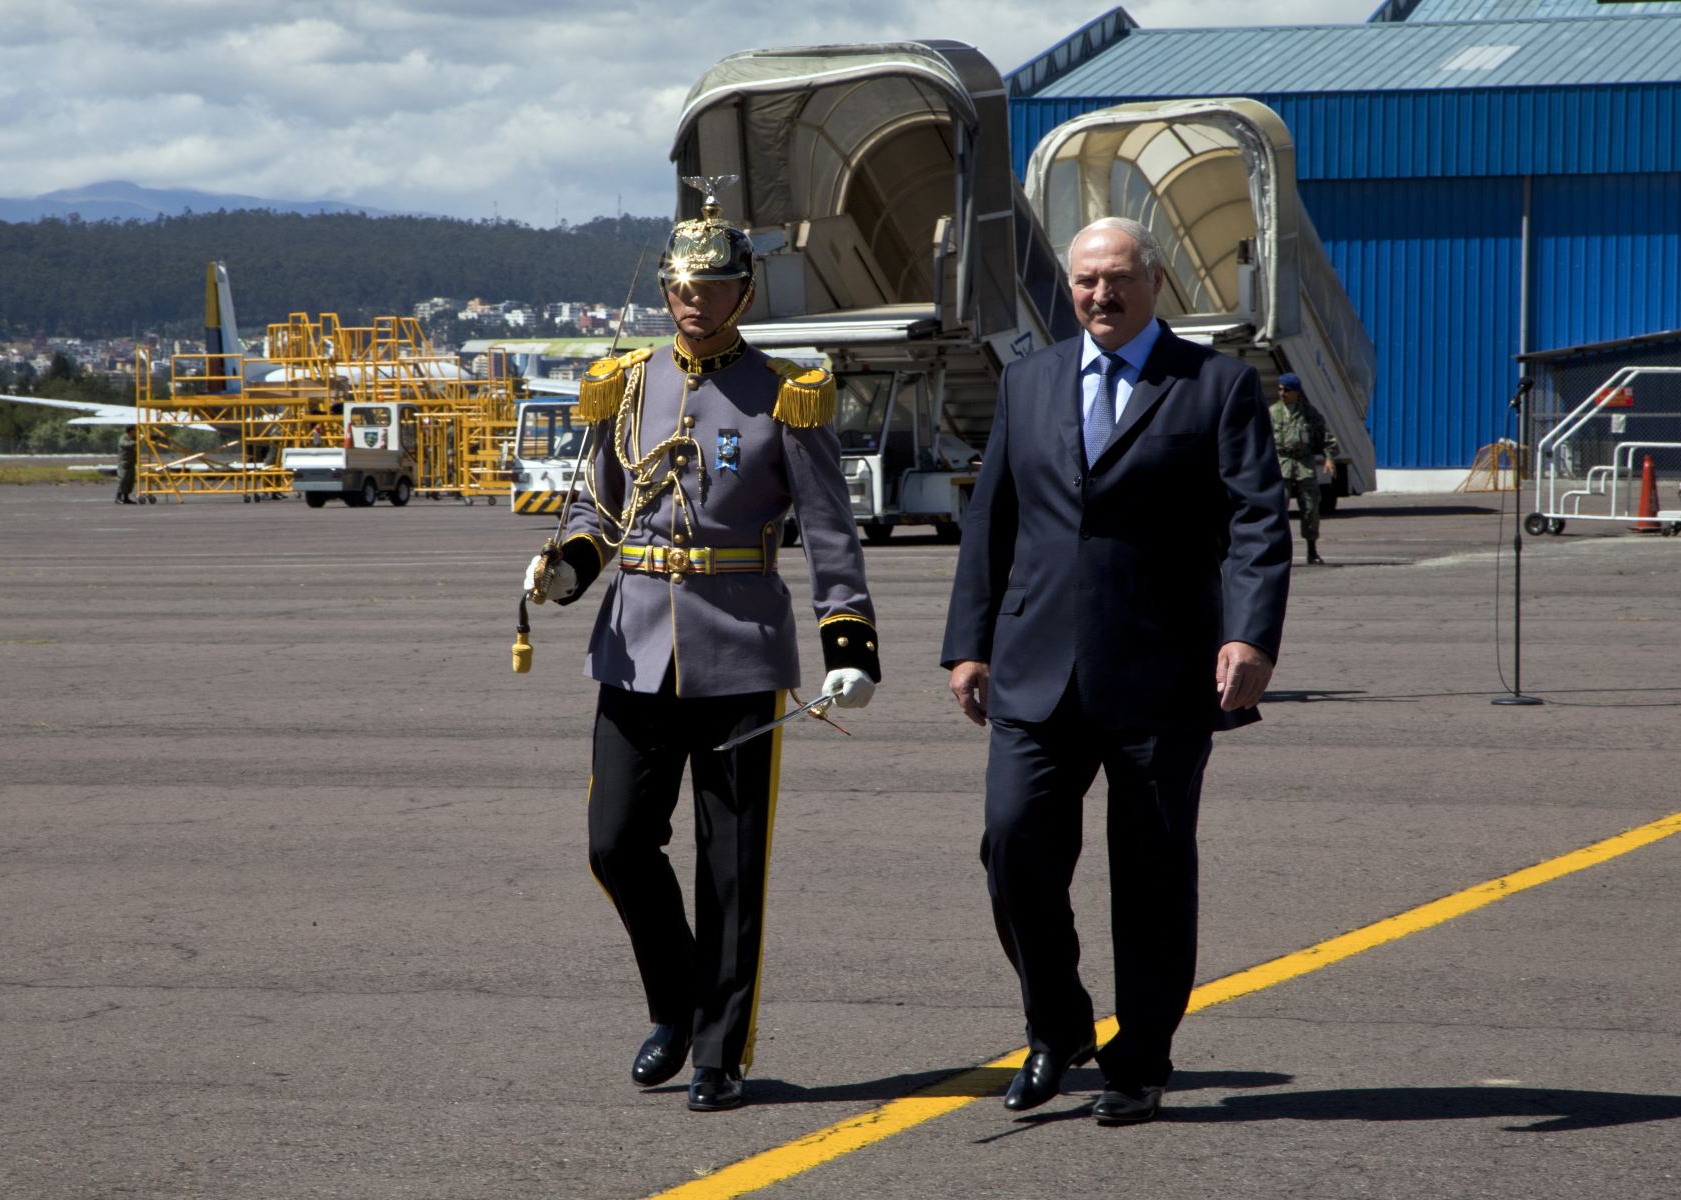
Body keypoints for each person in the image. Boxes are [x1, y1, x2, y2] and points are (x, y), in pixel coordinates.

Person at [522, 178, 880, 1113]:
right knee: (614, 845)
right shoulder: (627, 381)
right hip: (637, 645)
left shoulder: (785, 397)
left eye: (708, 284)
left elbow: (830, 529)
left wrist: (850, 637)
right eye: (679, 283)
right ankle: (676, 1002)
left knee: (731, 864)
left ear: (742, 294)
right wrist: (567, 566)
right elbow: (598, 502)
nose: (691, 297)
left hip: (738, 650)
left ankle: (720, 1049)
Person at [941, 216, 1290, 1125]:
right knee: (1012, 847)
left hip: (1161, 671)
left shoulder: (1215, 385)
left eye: (1119, 279)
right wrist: (967, 642)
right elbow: (993, 525)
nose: (1101, 295)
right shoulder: (1029, 381)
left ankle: (1140, 1059)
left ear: (1156, 281)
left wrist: (1250, 636)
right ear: (1069, 285)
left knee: (1152, 874)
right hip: (1034, 666)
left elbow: (1257, 521)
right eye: (1087, 280)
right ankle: (1057, 1025)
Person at [1271, 372, 1340, 565]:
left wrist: (1329, 458)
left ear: (1297, 392)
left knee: (1310, 508)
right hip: (1281, 464)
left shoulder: (1310, 414)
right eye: (1280, 389)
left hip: (1304, 464)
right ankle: (1278, 550)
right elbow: (1260, 441)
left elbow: (1326, 438)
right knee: (1277, 509)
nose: (1282, 393)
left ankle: (1312, 550)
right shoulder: (1272, 413)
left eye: (1286, 390)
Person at [114, 425, 137, 504]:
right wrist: (135, 442)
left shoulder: (134, 438)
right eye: (135, 430)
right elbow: (125, 444)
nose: (136, 432)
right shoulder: (123, 438)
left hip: (131, 463)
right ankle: (118, 497)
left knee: (130, 481)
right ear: (131, 431)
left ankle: (126, 498)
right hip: (124, 463)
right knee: (123, 480)